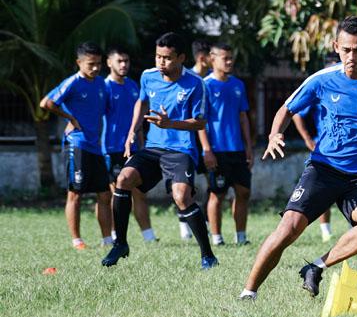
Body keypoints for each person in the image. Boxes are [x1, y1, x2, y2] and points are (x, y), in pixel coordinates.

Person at [239, 16, 357, 301]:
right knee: (288, 229)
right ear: (336, 46)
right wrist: (274, 135)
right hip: (324, 169)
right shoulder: (321, 80)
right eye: (345, 50)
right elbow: (286, 108)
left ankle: (316, 267)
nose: (351, 57)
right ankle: (249, 292)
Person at [101, 32, 218, 269]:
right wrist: (132, 131)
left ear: (181, 58)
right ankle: (120, 244)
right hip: (152, 148)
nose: (161, 62)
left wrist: (170, 123)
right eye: (158, 57)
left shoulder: (196, 83)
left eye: (167, 58)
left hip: (181, 150)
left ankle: (207, 255)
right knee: (123, 179)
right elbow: (142, 102)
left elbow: (200, 122)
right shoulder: (148, 76)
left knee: (182, 197)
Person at [40, 42, 112, 250]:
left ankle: (107, 240)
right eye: (91, 64)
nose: (96, 68)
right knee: (75, 193)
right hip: (77, 144)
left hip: (95, 146)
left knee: (104, 194)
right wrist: (69, 117)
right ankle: (77, 240)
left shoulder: (101, 84)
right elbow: (46, 103)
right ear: (79, 62)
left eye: (98, 64)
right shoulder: (72, 82)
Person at [104, 46, 157, 243]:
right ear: (109, 63)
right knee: (116, 194)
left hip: (134, 149)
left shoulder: (134, 86)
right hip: (111, 149)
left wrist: (142, 145)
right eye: (119, 61)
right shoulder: (104, 87)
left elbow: (140, 121)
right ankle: (115, 236)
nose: (124, 64)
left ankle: (149, 236)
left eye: (126, 61)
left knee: (139, 193)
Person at [202, 42, 253, 246]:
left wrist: (249, 146)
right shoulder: (205, 85)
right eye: (225, 58)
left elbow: (243, 117)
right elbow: (199, 122)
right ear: (212, 59)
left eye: (231, 57)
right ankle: (216, 238)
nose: (230, 61)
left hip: (238, 150)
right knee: (217, 194)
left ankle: (241, 237)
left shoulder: (238, 85)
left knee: (243, 192)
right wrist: (207, 150)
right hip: (217, 150)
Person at [291, 52, 340, 242]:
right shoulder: (320, 86)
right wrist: (307, 139)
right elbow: (295, 113)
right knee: (323, 190)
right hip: (324, 150)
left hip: (350, 150)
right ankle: (325, 230)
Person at [178, 38, 213, 240]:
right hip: (187, 142)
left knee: (212, 183)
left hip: (209, 140)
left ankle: (206, 223)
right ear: (202, 58)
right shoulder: (187, 80)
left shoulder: (210, 80)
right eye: (212, 55)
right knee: (186, 186)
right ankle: (184, 226)